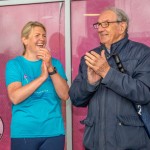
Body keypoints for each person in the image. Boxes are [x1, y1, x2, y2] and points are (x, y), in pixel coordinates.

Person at [69, 7, 150, 150]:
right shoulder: (90, 57)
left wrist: (107, 73)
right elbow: (75, 98)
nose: (100, 29)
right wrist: (90, 84)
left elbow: (144, 93)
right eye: (98, 25)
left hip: (131, 143)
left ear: (122, 26)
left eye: (106, 24)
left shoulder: (143, 53)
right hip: (94, 144)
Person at [5, 21, 69, 150]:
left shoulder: (55, 63)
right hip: (24, 132)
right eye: (37, 35)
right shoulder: (14, 65)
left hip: (53, 132)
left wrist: (50, 68)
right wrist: (42, 78)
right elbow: (15, 97)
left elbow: (65, 95)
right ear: (25, 40)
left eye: (44, 35)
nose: (42, 39)